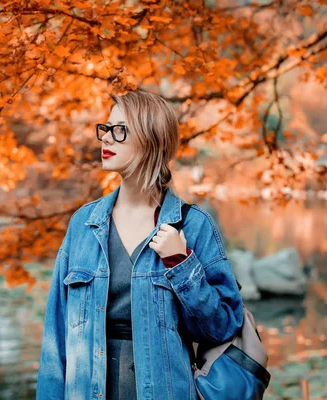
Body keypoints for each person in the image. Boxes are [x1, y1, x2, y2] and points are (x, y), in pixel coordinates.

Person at [36, 90, 244, 400]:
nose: (106, 139)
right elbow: (56, 339)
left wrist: (182, 264)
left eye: (120, 130)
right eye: (106, 129)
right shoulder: (84, 224)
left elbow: (221, 328)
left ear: (152, 139)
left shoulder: (193, 225)